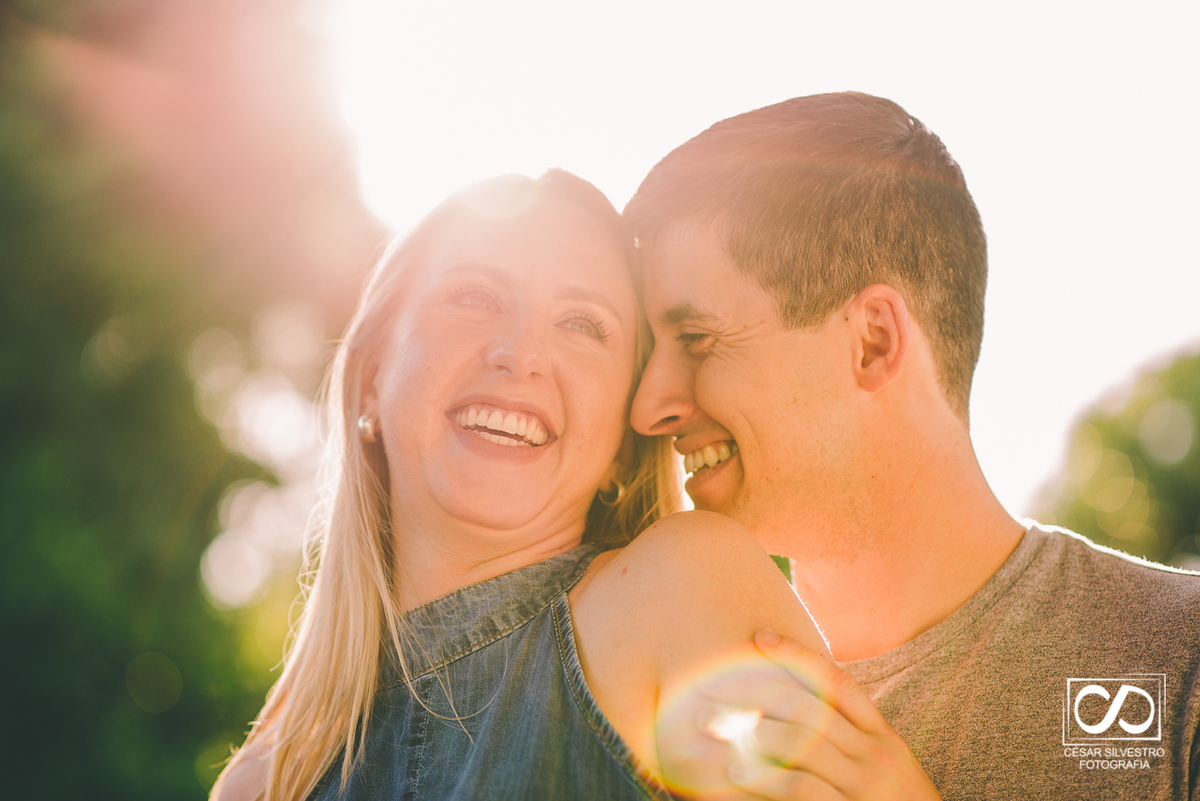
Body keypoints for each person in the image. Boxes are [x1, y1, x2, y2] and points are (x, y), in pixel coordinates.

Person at [625, 91, 1200, 800]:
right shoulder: (673, 710)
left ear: (874, 340)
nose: (647, 407)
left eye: (695, 339)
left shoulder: (1182, 663)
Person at [210, 170, 828, 801]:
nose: (520, 352)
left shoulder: (685, 590)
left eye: (583, 324)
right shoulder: (259, 785)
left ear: (623, 444)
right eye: (476, 297)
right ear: (372, 379)